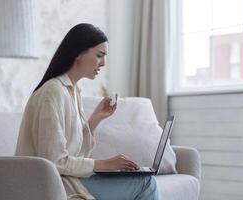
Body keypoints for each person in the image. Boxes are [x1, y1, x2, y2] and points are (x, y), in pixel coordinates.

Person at [15, 23, 159, 200]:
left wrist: (97, 117)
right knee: (146, 183)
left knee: (145, 180)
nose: (104, 63)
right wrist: (104, 164)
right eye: (99, 55)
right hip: (53, 185)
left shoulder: (73, 91)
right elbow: (54, 161)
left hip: (68, 179)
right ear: (79, 53)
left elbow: (75, 152)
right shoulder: (53, 92)